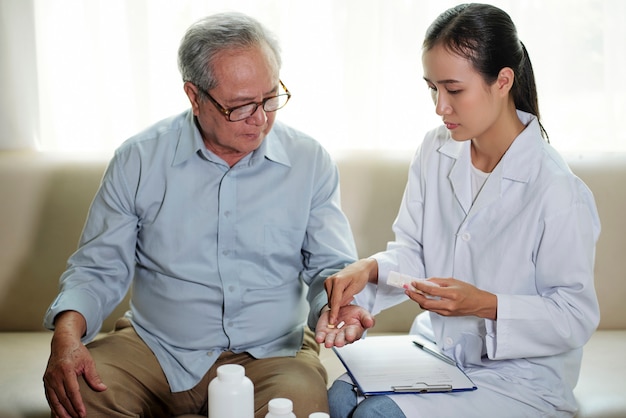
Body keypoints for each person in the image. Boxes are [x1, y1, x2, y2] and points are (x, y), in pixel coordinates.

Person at [42, 12, 359, 418]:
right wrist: (66, 336)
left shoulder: (309, 160)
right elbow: (97, 269)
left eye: (269, 98)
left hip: (273, 354)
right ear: (195, 97)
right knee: (81, 397)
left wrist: (339, 306)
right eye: (242, 106)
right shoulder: (139, 159)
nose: (260, 119)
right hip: (156, 348)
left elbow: (330, 269)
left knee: (297, 406)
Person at [319, 3, 601, 417]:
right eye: (432, 88)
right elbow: (414, 253)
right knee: (340, 398)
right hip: (437, 353)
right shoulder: (436, 150)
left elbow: (575, 317)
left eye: (454, 90)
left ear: (502, 81)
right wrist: (371, 270)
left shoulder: (557, 189)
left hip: (518, 379)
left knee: (375, 415)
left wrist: (483, 303)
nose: (439, 106)